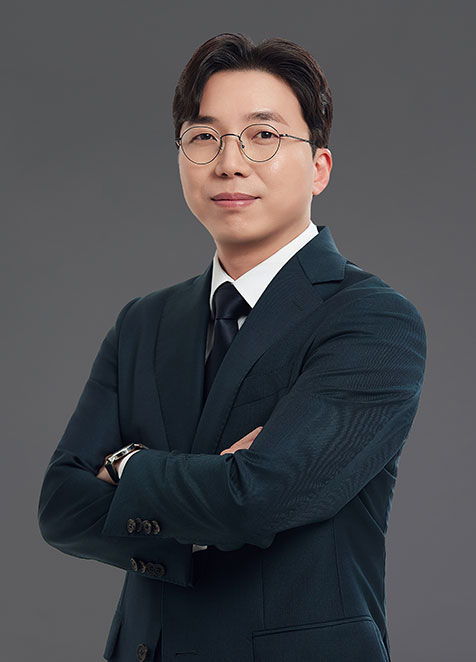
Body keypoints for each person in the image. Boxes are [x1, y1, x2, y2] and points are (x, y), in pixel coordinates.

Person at [38, 32, 426, 662]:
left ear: (320, 167)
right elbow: (59, 505)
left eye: (262, 134)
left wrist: (126, 466)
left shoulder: (372, 320)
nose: (229, 162)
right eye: (204, 137)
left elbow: (257, 498)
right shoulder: (143, 322)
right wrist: (212, 492)